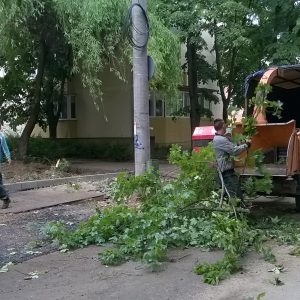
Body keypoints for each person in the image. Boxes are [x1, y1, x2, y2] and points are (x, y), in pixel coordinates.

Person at [212, 119, 251, 200]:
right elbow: (234, 151)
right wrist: (247, 145)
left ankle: (233, 209)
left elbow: (232, 146)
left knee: (230, 195)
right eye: (225, 125)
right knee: (236, 195)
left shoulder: (219, 138)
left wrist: (241, 143)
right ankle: (238, 210)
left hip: (225, 171)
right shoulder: (220, 140)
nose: (226, 126)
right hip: (227, 173)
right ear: (223, 126)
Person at [0, 125, 11, 209]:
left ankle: (5, 197)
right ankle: (5, 198)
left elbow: (5, 148)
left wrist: (8, 156)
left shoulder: (1, 136)